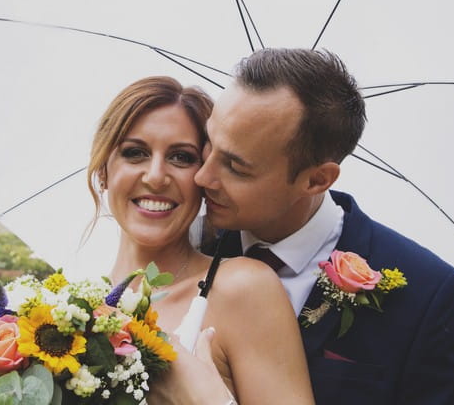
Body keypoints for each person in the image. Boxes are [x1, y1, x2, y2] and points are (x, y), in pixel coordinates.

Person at [152, 48, 454, 404]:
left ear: (317, 180)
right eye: (208, 144)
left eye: (236, 168)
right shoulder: (186, 247)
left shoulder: (425, 293)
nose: (202, 175)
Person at [86, 76, 315, 404]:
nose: (155, 176)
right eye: (135, 152)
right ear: (103, 170)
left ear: (204, 179)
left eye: (181, 157)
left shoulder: (242, 289)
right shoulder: (73, 309)